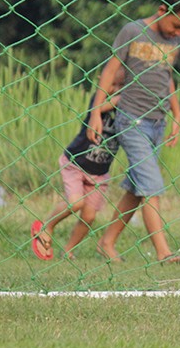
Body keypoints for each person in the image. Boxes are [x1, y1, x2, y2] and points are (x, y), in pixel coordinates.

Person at [87, 0, 180, 265]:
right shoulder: (133, 31)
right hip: (131, 120)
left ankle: (107, 242)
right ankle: (164, 253)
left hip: (157, 123)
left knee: (136, 188)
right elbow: (111, 69)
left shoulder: (175, 40)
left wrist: (177, 115)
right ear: (162, 9)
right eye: (175, 25)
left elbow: (168, 78)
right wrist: (95, 113)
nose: (178, 33)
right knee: (151, 186)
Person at [30, 70, 124, 260]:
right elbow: (103, 106)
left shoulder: (127, 110)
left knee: (89, 216)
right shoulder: (97, 103)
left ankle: (68, 249)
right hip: (76, 163)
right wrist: (122, 98)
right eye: (111, 85)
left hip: (99, 172)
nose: (115, 90)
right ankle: (47, 225)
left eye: (120, 87)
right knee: (76, 203)